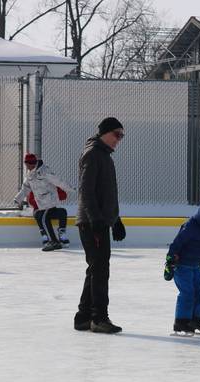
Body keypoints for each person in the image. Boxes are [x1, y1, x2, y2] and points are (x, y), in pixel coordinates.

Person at [74, 117, 128, 334]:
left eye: (122, 136)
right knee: (100, 270)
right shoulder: (93, 154)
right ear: (105, 132)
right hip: (91, 222)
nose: (119, 140)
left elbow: (106, 194)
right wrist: (96, 219)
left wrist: (115, 220)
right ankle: (99, 317)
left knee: (95, 268)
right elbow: (86, 191)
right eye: (117, 134)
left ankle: (83, 316)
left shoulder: (104, 156)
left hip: (98, 220)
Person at [164, 199, 200, 336]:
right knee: (187, 293)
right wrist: (170, 260)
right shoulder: (191, 226)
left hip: (196, 266)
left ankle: (193, 319)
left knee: (199, 292)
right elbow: (177, 243)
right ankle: (181, 321)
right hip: (182, 266)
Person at [14, 152, 76, 251]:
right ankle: (53, 241)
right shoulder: (30, 175)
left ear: (30, 163)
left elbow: (59, 181)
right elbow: (25, 189)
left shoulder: (44, 171)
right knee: (44, 218)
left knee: (43, 218)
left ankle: (54, 241)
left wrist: (71, 189)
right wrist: (18, 199)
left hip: (50, 201)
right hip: (42, 204)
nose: (26, 166)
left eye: (27, 164)